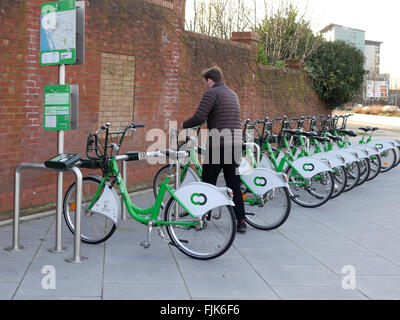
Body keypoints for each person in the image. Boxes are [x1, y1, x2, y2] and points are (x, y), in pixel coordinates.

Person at [182, 66, 247, 233]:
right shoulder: (232, 94)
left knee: (208, 182)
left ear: (210, 81)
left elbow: (199, 117)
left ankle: (202, 216)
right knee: (233, 182)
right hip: (236, 143)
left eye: (206, 82)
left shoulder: (212, 93)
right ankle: (241, 220)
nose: (206, 85)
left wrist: (183, 125)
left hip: (219, 144)